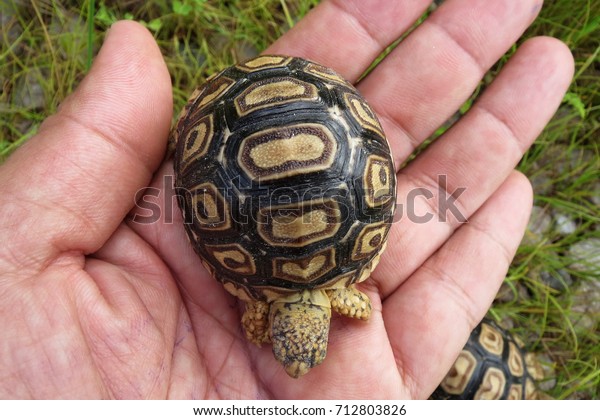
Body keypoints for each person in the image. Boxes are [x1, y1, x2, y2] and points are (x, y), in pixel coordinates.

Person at [0, 0, 573, 398]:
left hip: (247, 125)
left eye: (294, 350)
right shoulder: (265, 287)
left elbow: (351, 300)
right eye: (301, 350)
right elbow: (350, 300)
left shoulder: (279, 285)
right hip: (290, 118)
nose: (297, 368)